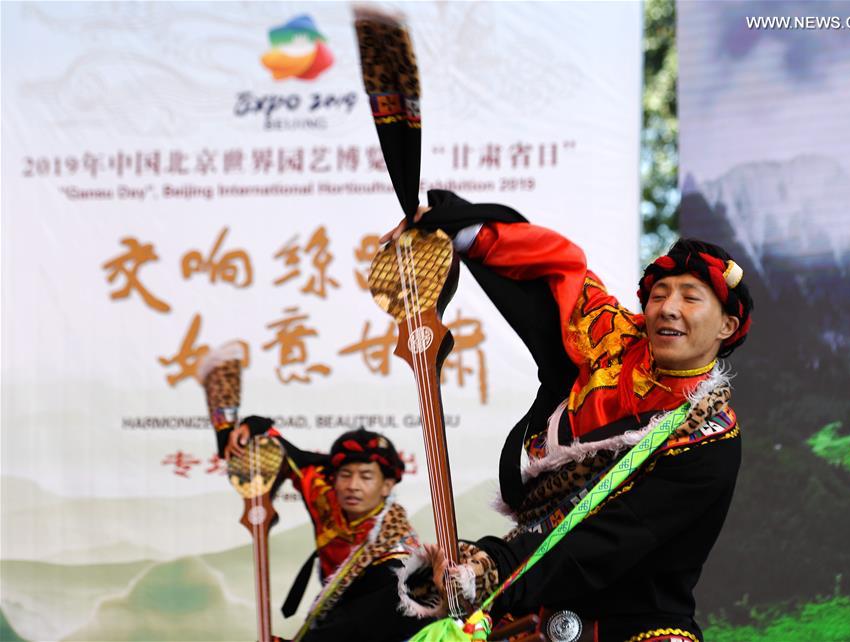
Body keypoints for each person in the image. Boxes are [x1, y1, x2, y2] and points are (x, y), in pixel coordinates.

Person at [386, 191, 754, 642]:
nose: (668, 307)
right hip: (534, 610)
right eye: (659, 294)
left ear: (727, 327)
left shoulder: (709, 438)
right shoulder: (611, 343)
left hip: (639, 628)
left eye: (691, 297)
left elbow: (600, 542)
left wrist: (491, 570)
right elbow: (557, 272)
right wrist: (449, 230)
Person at [198, 355, 429, 642]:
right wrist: (250, 429)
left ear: (387, 485)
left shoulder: (398, 550)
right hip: (333, 619)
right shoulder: (325, 493)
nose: (353, 486)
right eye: (345, 474)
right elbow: (282, 454)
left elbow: (363, 622)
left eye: (366, 477)